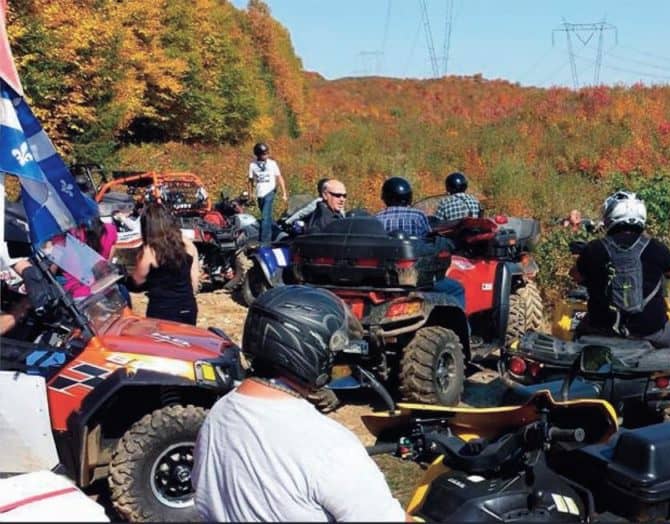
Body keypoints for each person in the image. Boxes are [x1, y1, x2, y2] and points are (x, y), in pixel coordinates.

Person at [192, 285, 407, 522]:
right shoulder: (326, 443)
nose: (339, 358)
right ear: (307, 347)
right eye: (334, 349)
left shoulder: (220, 413)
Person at [570, 191, 670, 349]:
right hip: (650, 329)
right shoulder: (655, 247)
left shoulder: (594, 248)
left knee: (577, 338)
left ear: (609, 215)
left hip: (601, 327)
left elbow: (575, 275)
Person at [376, 177, 466, 309]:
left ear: (384, 197)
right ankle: (463, 327)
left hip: (385, 277)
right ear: (409, 197)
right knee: (456, 289)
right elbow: (427, 241)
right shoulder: (418, 215)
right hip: (416, 276)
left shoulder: (377, 218)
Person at [130, 204, 201, 325]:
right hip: (187, 307)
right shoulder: (188, 244)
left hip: (162, 310)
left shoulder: (149, 251)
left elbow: (137, 282)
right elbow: (194, 281)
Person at [248, 142, 289, 243]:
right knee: (267, 217)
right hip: (259, 193)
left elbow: (279, 177)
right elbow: (250, 180)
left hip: (270, 191)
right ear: (258, 154)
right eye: (264, 154)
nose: (266, 155)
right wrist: (251, 193)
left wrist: (284, 192)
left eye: (267, 153)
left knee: (265, 217)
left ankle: (265, 243)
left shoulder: (272, 163)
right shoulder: (252, 165)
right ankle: (278, 232)